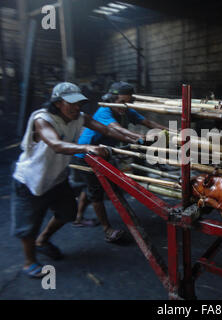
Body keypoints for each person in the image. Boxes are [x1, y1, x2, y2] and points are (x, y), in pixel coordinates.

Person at [11, 82, 139, 278]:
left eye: (79, 103)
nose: (76, 107)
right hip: (29, 180)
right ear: (57, 103)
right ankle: (29, 262)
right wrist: (86, 148)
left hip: (56, 178)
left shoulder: (80, 117)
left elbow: (107, 131)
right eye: (71, 103)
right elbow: (55, 144)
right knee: (28, 225)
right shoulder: (43, 118)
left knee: (68, 213)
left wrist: (137, 140)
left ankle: (43, 240)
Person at [71, 81, 168, 242]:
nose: (125, 106)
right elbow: (117, 129)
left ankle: (78, 217)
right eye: (122, 102)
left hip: (104, 153)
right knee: (97, 192)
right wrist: (137, 137)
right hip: (87, 154)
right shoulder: (104, 110)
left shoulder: (126, 110)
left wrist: (169, 131)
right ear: (111, 99)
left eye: (129, 102)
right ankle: (107, 229)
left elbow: (149, 123)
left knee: (92, 186)